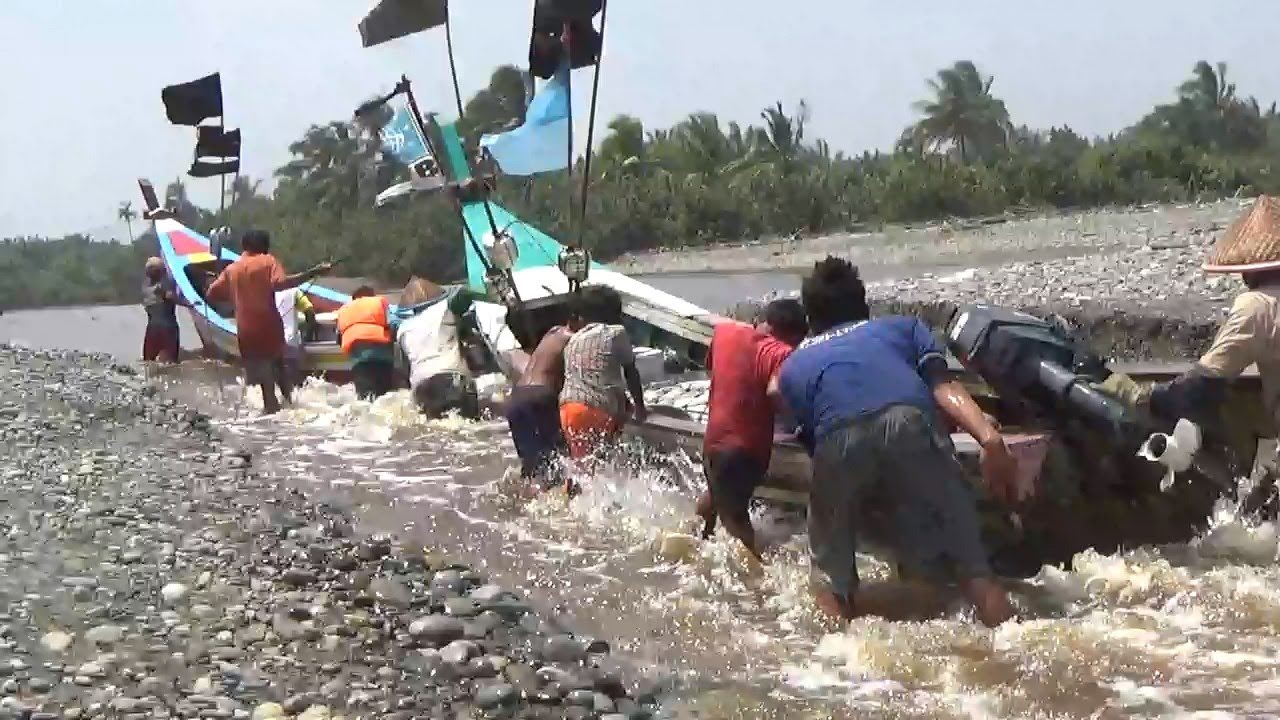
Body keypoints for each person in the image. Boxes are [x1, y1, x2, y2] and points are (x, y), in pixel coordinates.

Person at [776, 256, 1020, 628]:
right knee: (974, 571)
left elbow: (818, 449)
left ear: (810, 320)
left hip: (837, 437)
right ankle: (1010, 643)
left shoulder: (793, 366)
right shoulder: (903, 328)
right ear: (865, 304)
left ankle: (835, 664)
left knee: (830, 576)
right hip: (910, 421)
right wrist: (990, 440)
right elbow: (943, 387)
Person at [695, 299, 808, 561]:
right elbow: (777, 391)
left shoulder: (725, 332)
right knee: (737, 520)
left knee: (717, 500)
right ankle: (756, 578)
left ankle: (692, 549)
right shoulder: (781, 353)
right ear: (792, 336)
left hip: (713, 441)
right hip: (745, 449)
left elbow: (710, 365)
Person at [206, 230, 331, 414]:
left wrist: (236, 296)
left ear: (244, 246)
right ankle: (285, 409)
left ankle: (269, 417)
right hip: (269, 325)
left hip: (245, 329)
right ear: (264, 246)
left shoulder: (232, 270)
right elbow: (280, 283)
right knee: (279, 368)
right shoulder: (268, 261)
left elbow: (211, 294)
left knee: (263, 378)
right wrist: (314, 272)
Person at [559, 286, 647, 459]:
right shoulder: (616, 333)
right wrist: (640, 408)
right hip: (595, 409)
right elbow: (630, 372)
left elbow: (595, 375)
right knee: (602, 463)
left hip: (568, 407)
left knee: (581, 465)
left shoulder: (574, 339)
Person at [396, 287, 482, 419]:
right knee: (469, 425)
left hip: (421, 386)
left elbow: (404, 370)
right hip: (451, 377)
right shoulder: (444, 309)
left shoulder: (403, 328)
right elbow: (462, 293)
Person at [505, 323, 574, 481]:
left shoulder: (552, 332)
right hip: (540, 395)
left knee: (530, 464)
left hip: (517, 396)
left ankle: (523, 501)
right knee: (558, 456)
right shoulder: (574, 339)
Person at [336, 286, 400, 401]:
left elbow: (338, 337)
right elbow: (394, 323)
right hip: (383, 354)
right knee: (384, 397)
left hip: (359, 357)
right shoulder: (379, 302)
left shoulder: (344, 309)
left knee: (365, 397)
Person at [142, 257, 183, 363]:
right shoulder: (164, 284)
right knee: (171, 364)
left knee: (148, 363)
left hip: (152, 330)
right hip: (168, 330)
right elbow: (171, 297)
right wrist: (190, 304)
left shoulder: (146, 288)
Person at [276, 287, 316, 391]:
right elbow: (310, 312)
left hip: (268, 343)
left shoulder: (262, 290)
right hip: (289, 342)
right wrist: (308, 337)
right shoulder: (294, 291)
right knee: (292, 379)